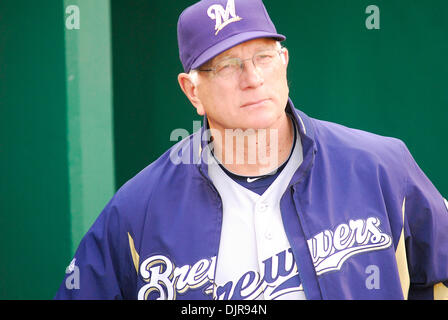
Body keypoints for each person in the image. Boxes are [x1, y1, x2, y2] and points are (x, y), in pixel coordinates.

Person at [55, 0, 448, 300]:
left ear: (284, 62)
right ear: (192, 91)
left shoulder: (380, 166)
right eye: (228, 65)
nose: (253, 78)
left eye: (264, 57)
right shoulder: (137, 210)